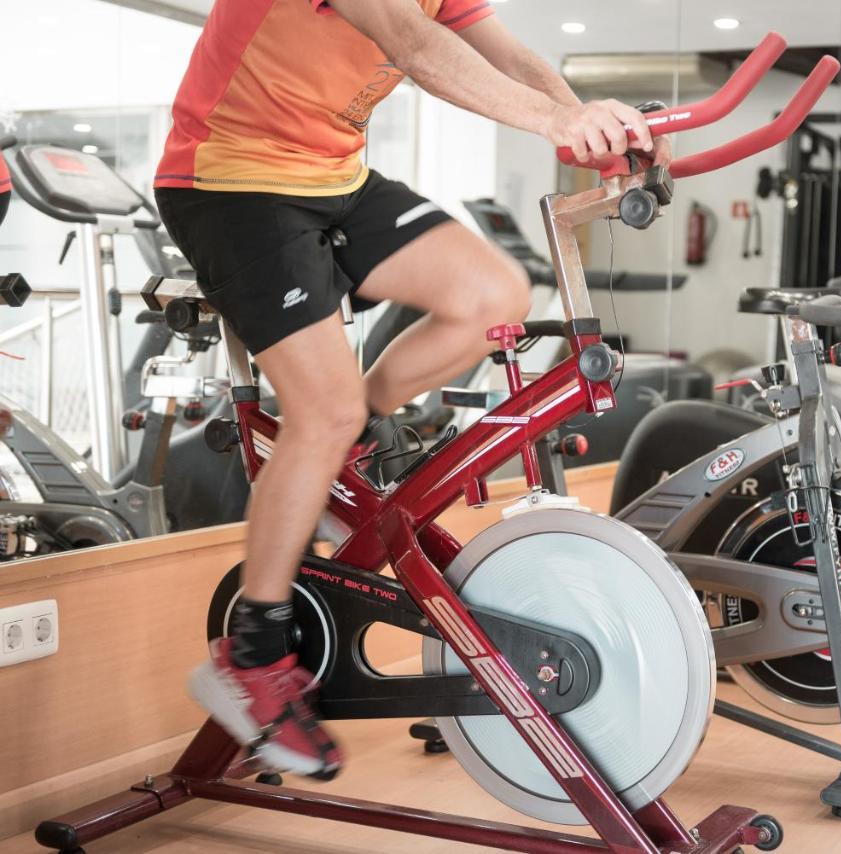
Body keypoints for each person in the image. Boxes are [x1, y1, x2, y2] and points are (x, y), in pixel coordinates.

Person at [158, 0, 665, 781]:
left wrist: (589, 123)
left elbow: (509, 55)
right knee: (319, 409)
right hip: (232, 182)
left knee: (494, 296)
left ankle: (343, 445)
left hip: (334, 176)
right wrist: (555, 124)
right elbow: (416, 47)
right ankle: (250, 652)